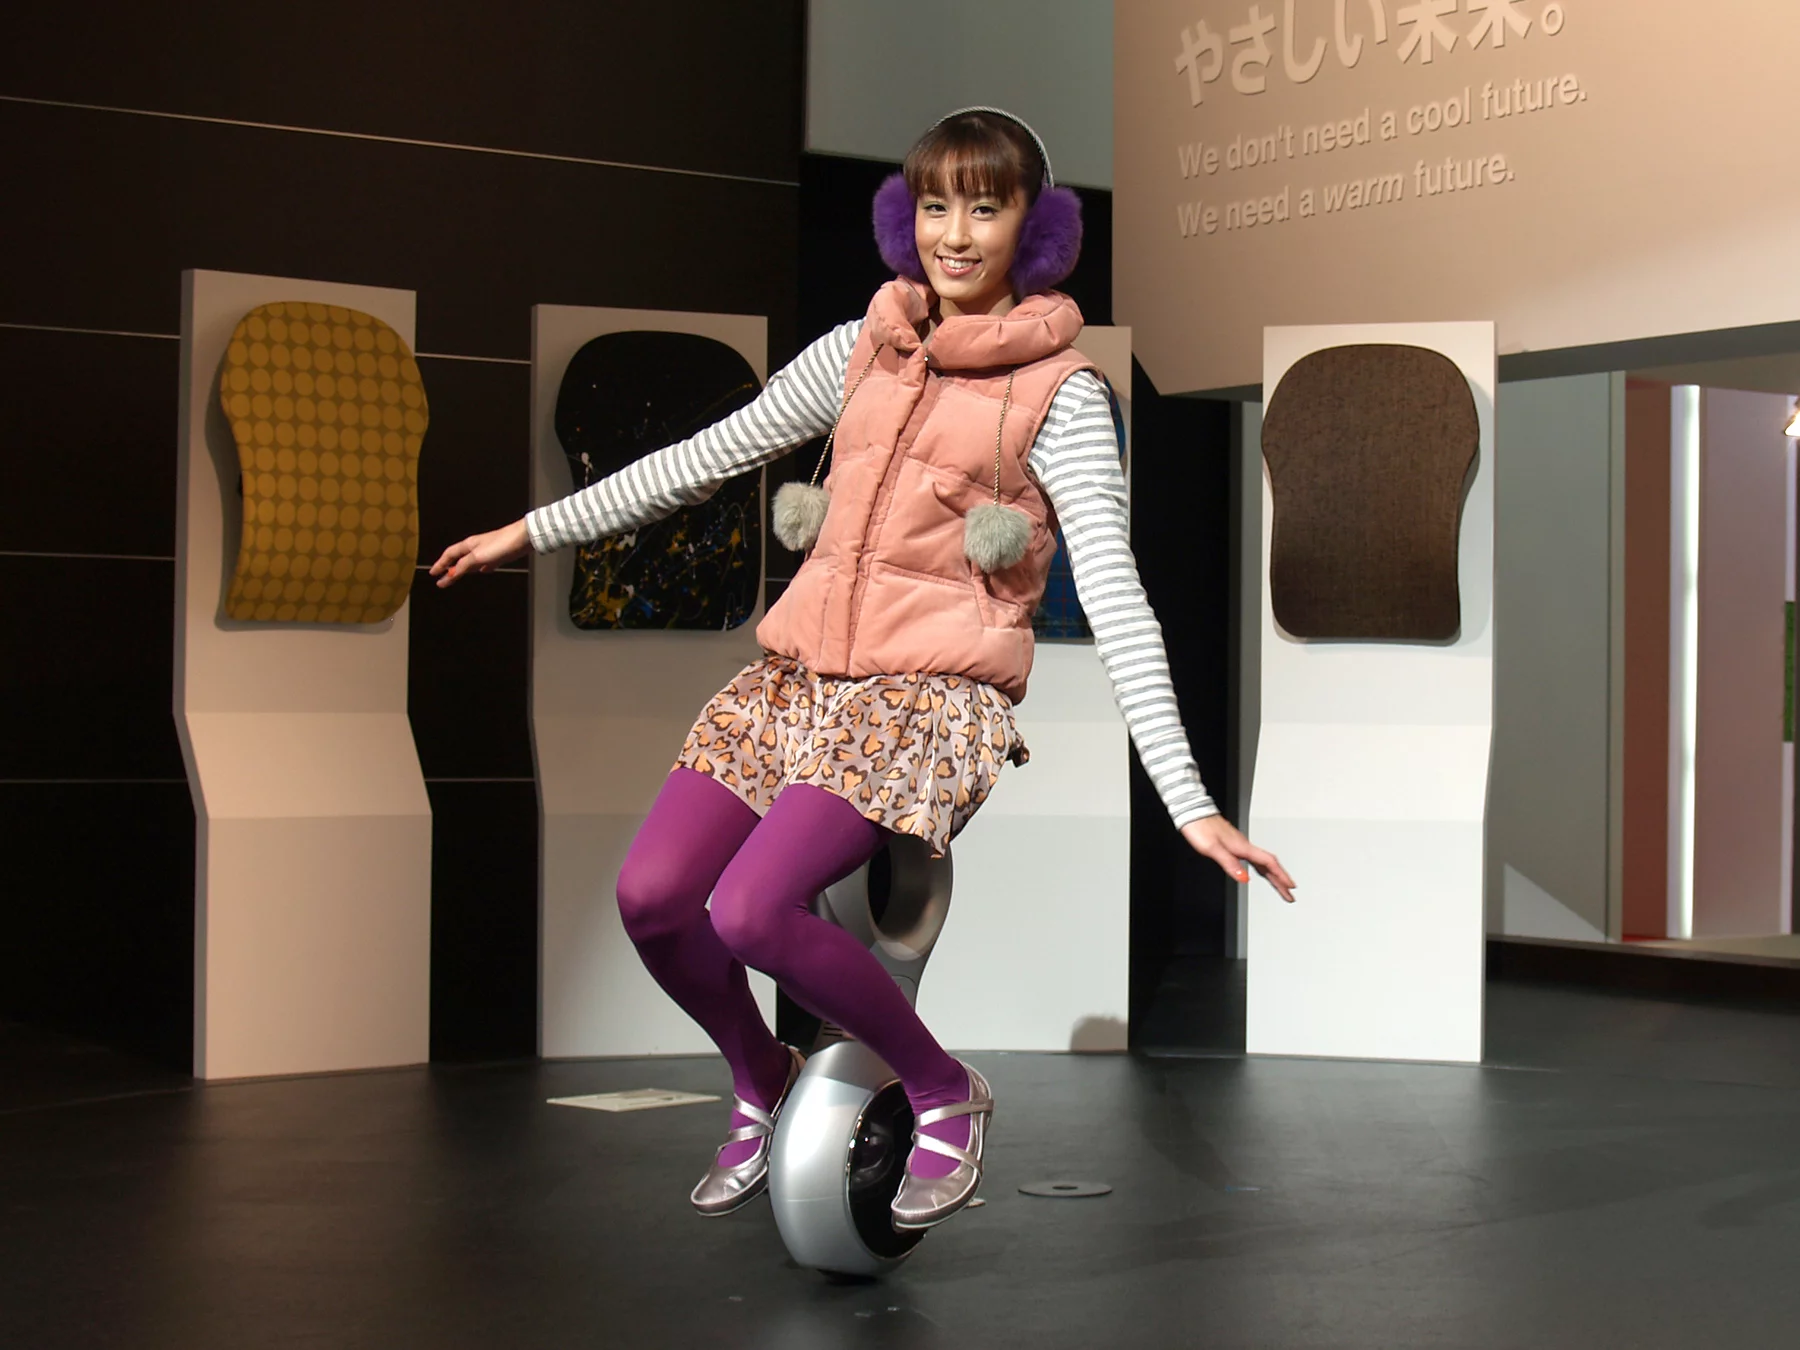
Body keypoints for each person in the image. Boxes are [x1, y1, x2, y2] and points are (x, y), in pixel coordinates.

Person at [430, 107, 1296, 1234]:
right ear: (906, 216)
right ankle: (760, 1076)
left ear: (1034, 229)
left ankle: (944, 1089)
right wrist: (529, 531)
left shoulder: (1065, 396)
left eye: (985, 207)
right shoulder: (860, 348)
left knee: (752, 908)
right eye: (936, 204)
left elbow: (1120, 595)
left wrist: (1188, 803)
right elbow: (702, 458)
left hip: (927, 700)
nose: (955, 232)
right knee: (651, 898)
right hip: (799, 680)